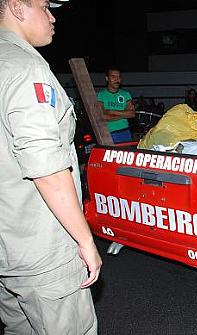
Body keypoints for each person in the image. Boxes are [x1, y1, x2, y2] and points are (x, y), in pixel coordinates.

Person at [0, 0, 102, 333]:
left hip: (10, 244)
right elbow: (47, 168)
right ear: (17, 7)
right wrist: (84, 241)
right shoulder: (25, 68)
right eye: (44, 6)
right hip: (41, 246)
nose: (52, 16)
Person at [97, 66, 135, 143]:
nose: (117, 79)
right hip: (108, 133)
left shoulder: (126, 94)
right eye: (113, 76)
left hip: (125, 132)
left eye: (119, 77)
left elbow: (132, 114)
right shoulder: (100, 95)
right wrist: (123, 115)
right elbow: (102, 116)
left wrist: (111, 111)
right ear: (107, 79)